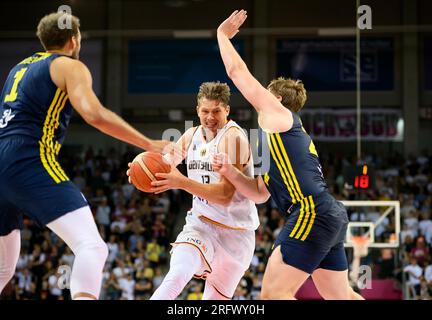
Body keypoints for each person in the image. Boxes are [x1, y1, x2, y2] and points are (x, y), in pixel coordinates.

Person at [0, 12, 172, 300]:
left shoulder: (18, 68)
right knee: (92, 246)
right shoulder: (69, 66)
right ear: (74, 39)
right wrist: (148, 143)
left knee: (3, 272)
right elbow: (94, 115)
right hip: (27, 158)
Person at [213, 10, 363, 300]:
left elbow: (237, 73)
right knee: (341, 296)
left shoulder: (279, 116)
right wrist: (230, 172)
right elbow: (259, 193)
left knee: (272, 295)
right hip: (326, 214)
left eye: (267, 94)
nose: (260, 99)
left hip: (310, 211)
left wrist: (222, 36)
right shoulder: (271, 142)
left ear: (277, 99)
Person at [139, 81, 259, 300]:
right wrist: (140, 170)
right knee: (177, 274)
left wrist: (182, 181)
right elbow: (164, 165)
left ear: (227, 110)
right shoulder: (191, 135)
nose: (210, 117)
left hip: (236, 234)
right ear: (197, 110)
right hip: (201, 224)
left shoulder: (233, 138)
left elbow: (224, 196)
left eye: (216, 111)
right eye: (205, 111)